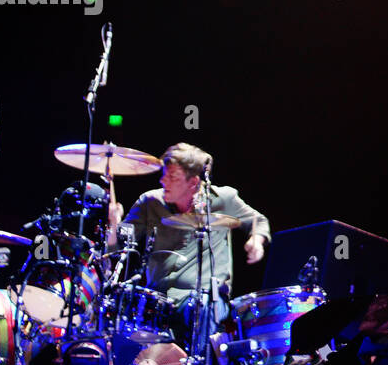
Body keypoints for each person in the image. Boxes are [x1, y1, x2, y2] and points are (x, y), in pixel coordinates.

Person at [108, 143, 270, 343]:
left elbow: (259, 221)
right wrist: (114, 225)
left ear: (193, 182)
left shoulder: (224, 199)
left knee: (200, 306)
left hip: (204, 301)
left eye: (172, 177)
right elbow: (119, 247)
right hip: (159, 299)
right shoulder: (150, 202)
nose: (162, 180)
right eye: (164, 174)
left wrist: (257, 239)